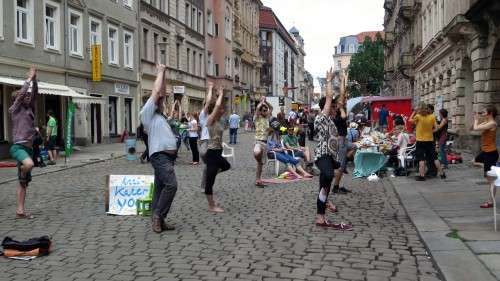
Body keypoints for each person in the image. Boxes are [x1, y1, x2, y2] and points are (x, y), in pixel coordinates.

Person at [140, 64, 178, 233]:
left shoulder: (160, 116)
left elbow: (160, 93)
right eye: (159, 101)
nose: (162, 100)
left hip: (167, 157)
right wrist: (160, 71)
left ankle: (159, 219)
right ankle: (158, 216)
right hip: (160, 156)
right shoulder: (146, 114)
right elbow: (156, 93)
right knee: (172, 185)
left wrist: (165, 75)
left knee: (160, 188)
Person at [313, 68, 352, 230]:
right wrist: (328, 81)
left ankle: (321, 215)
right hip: (322, 155)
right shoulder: (321, 118)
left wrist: (344, 82)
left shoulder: (333, 121)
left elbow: (341, 98)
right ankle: (323, 205)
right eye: (333, 107)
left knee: (325, 185)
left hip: (331, 157)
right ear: (326, 108)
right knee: (328, 175)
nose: (336, 109)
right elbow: (329, 98)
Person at [9, 67, 38, 219]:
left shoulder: (29, 110)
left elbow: (34, 94)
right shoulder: (14, 109)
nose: (27, 97)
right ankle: (22, 172)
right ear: (17, 99)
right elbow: (22, 95)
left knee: (24, 183)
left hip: (29, 148)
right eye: (24, 96)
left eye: (27, 96)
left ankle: (20, 210)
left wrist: (34, 80)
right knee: (29, 165)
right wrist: (28, 80)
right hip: (18, 147)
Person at [204, 88, 231, 213]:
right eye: (220, 109)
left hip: (218, 151)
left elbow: (220, 105)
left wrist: (219, 95)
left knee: (226, 165)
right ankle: (211, 205)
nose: (222, 110)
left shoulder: (219, 120)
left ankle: (211, 172)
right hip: (212, 153)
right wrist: (220, 95)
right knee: (210, 182)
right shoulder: (210, 120)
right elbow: (218, 105)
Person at [410, 103, 446, 181]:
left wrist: (414, 112)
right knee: (435, 158)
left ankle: (422, 176)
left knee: (421, 159)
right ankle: (442, 174)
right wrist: (430, 131)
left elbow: (410, 120)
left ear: (420, 110)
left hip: (420, 141)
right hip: (429, 140)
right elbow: (437, 128)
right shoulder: (432, 117)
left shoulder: (418, 116)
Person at [472, 106, 498, 209]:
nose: (482, 114)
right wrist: (477, 120)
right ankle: (489, 169)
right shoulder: (486, 122)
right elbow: (473, 128)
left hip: (491, 153)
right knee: (474, 161)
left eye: (483, 112)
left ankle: (490, 202)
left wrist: (476, 120)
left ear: (490, 113)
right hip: (485, 152)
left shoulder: (492, 123)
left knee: (490, 180)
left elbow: (476, 128)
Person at [254, 97, 273, 187]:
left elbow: (271, 108)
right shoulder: (257, 117)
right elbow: (257, 108)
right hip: (258, 142)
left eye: (266, 110)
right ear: (261, 111)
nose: (266, 111)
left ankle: (258, 179)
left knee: (260, 164)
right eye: (264, 110)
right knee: (257, 152)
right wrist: (261, 102)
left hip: (265, 143)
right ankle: (256, 155)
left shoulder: (267, 118)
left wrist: (266, 102)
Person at [199, 83, 214, 191]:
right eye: (206, 106)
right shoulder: (203, 116)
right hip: (205, 141)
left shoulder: (214, 116)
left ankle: (205, 186)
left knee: (208, 166)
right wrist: (210, 88)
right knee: (204, 154)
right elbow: (208, 102)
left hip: (213, 142)